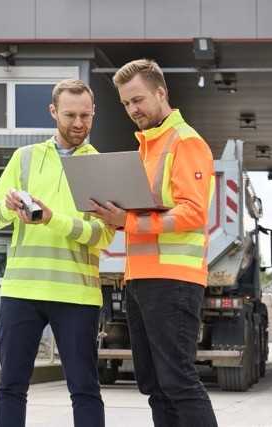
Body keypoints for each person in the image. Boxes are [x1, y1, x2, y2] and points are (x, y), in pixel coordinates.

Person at [92, 59, 218, 427]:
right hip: (140, 281)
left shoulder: (187, 142)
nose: (133, 110)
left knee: (178, 380)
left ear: (161, 92)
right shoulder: (147, 148)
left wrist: (126, 220)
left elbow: (193, 214)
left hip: (174, 282)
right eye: (126, 104)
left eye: (138, 100)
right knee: (153, 384)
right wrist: (113, 217)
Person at [0, 79, 114, 427]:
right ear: (53, 112)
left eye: (85, 115)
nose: (78, 123)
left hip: (77, 295)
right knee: (10, 387)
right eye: (70, 114)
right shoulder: (24, 158)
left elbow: (103, 236)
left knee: (84, 389)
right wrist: (10, 208)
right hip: (21, 292)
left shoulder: (101, 166)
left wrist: (53, 220)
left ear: (93, 113)